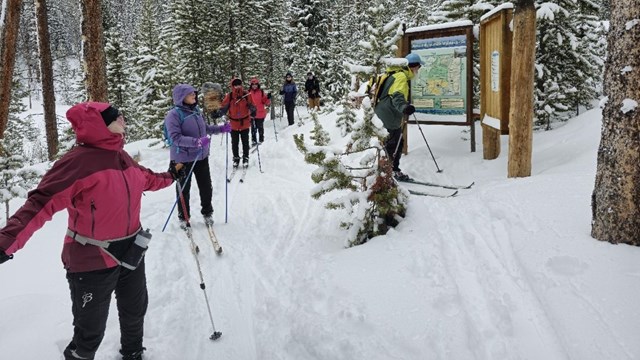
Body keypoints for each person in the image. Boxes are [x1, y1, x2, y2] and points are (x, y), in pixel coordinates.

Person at [0, 102, 185, 360]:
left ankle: (133, 354)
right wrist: (6, 242)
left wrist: (171, 176)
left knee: (134, 311)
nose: (123, 118)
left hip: (132, 251)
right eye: (116, 116)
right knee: (90, 333)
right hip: (92, 259)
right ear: (101, 124)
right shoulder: (76, 162)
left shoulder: (121, 157)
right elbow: (40, 202)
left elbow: (146, 178)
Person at [164, 84, 231, 227]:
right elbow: (175, 138)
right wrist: (197, 142)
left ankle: (207, 213)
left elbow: (205, 129)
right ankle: (184, 217)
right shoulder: (173, 115)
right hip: (182, 159)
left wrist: (221, 128)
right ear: (182, 97)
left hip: (201, 156)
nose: (194, 95)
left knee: (206, 187)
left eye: (194, 93)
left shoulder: (196, 111)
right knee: (184, 189)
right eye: (190, 94)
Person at [373, 53, 423, 181]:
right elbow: (397, 96)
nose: (418, 71)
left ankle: (388, 171)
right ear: (414, 67)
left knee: (392, 144)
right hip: (389, 115)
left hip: (385, 113)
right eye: (418, 67)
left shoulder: (393, 74)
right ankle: (389, 172)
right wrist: (404, 107)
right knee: (394, 145)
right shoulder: (401, 76)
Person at [217, 78, 256, 168]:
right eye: (235, 85)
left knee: (245, 142)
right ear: (232, 86)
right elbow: (224, 107)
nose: (237, 86)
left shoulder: (246, 94)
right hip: (233, 124)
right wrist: (218, 113)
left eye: (239, 84)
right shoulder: (229, 96)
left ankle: (245, 158)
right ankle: (236, 158)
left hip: (245, 122)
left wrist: (253, 110)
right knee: (235, 142)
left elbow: (252, 104)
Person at [248, 77, 271, 145]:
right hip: (252, 113)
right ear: (251, 85)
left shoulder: (261, 92)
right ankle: (254, 140)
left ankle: (261, 139)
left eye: (256, 84)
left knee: (260, 127)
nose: (254, 85)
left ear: (258, 85)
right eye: (253, 84)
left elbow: (265, 102)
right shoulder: (248, 92)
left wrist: (268, 98)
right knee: (253, 128)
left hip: (260, 113)